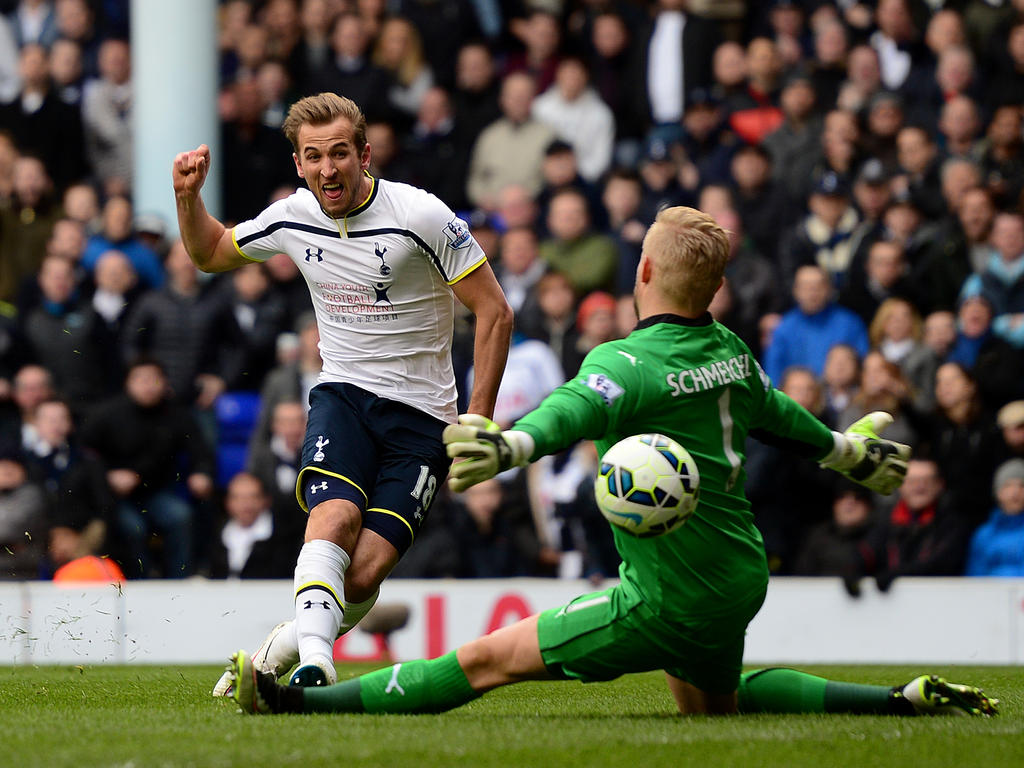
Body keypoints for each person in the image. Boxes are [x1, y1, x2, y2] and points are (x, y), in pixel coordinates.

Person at [229, 207, 995, 718]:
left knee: (490, 659)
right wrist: (849, 452)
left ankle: (303, 702)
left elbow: (572, 413)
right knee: (713, 710)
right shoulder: (731, 354)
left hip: (660, 596)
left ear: (646, 276)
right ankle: (898, 700)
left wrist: (508, 444)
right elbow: (780, 415)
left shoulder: (626, 360)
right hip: (737, 575)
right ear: (717, 291)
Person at [173, 92, 512, 692]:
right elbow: (208, 252)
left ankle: (279, 651)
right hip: (344, 397)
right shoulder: (290, 217)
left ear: (365, 154)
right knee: (332, 518)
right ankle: (317, 665)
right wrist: (187, 197)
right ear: (298, 165)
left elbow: (494, 312)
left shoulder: (422, 217)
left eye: (338, 153)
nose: (328, 168)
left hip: (424, 417)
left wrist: (478, 424)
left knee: (364, 575)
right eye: (313, 157)